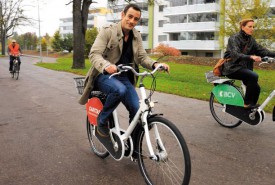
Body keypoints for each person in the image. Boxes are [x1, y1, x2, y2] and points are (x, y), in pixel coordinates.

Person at [79, 4, 170, 137]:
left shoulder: (136, 36)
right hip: (104, 75)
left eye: (136, 19)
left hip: (124, 77)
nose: (132, 21)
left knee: (136, 109)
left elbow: (142, 57)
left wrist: (155, 64)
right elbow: (94, 54)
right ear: (123, 15)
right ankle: (102, 121)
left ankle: (134, 150)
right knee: (119, 90)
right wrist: (105, 66)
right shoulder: (108, 31)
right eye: (130, 16)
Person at [221, 18, 275, 109]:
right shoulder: (234, 38)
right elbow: (235, 54)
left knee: (256, 88)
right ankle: (246, 104)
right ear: (242, 27)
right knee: (253, 76)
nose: (252, 28)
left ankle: (251, 108)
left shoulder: (251, 40)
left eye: (253, 27)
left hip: (244, 68)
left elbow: (262, 51)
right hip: (232, 67)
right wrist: (250, 57)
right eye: (250, 26)